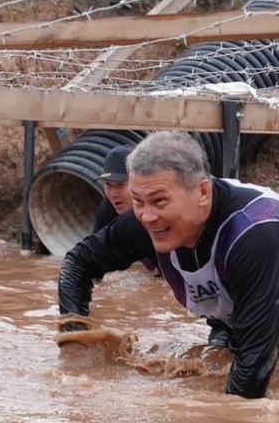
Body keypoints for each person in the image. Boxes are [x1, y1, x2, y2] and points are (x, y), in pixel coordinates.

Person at [58, 131, 279, 399]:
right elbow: (78, 263)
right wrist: (78, 346)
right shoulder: (145, 221)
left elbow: (254, 371)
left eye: (159, 201)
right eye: (139, 202)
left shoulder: (255, 235)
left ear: (202, 191)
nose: (147, 216)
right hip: (239, 327)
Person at [92, 143, 232, 348]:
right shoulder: (109, 209)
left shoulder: (182, 214)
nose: (113, 194)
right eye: (108, 185)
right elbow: (94, 260)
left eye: (120, 185)